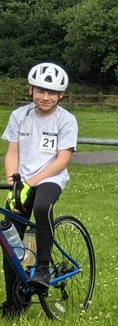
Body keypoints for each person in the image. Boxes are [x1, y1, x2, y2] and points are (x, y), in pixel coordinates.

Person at [3, 63, 78, 310]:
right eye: (40, 91)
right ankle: (15, 302)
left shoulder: (66, 120)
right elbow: (12, 151)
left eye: (52, 93)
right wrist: (13, 183)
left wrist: (31, 183)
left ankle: (43, 268)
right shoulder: (19, 116)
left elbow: (63, 159)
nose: (45, 97)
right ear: (30, 90)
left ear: (61, 95)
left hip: (50, 178)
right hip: (22, 179)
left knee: (42, 206)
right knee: (9, 237)